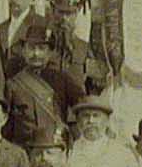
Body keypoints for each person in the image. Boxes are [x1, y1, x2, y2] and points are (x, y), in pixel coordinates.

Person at [5, 20, 86, 148]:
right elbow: (7, 125)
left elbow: (83, 106)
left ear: (49, 52)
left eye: (41, 48)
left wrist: (72, 133)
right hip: (26, 150)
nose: (36, 54)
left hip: (54, 146)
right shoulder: (13, 84)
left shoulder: (62, 79)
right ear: (23, 51)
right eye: (31, 48)